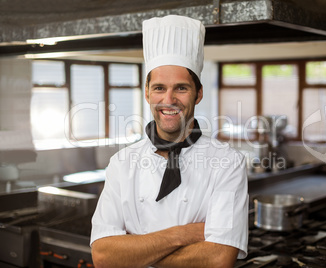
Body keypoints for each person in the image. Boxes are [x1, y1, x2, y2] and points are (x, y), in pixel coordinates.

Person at [90, 15, 248, 268]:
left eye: (181, 88)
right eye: (160, 88)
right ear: (147, 93)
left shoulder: (228, 163)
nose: (169, 99)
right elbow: (103, 257)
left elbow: (219, 259)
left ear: (198, 94)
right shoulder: (121, 163)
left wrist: (135, 250)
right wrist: (183, 235)